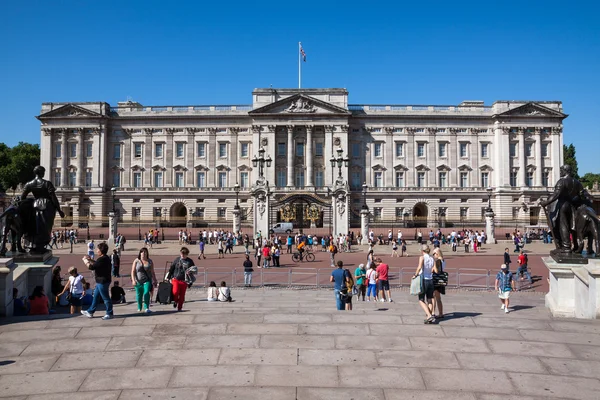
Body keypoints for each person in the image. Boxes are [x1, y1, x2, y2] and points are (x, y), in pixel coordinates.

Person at [81, 242, 114, 319]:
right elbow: (97, 264)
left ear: (101, 250)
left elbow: (92, 267)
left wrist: (85, 261)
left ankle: (109, 313)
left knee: (106, 298)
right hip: (100, 281)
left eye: (98, 249)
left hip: (103, 281)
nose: (96, 250)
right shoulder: (105, 258)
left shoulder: (102, 259)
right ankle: (90, 312)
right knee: (95, 297)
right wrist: (91, 260)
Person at [414, 244, 438, 324]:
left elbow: (419, 267)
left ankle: (429, 315)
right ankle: (429, 316)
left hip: (424, 279)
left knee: (421, 299)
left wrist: (415, 275)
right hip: (430, 279)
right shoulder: (432, 258)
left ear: (422, 251)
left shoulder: (422, 258)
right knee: (429, 299)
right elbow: (435, 270)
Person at [131, 247, 158, 313]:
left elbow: (152, 272)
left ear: (147, 253)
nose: (143, 253)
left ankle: (146, 307)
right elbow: (133, 271)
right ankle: (139, 307)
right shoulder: (136, 260)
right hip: (138, 281)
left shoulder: (150, 261)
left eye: (145, 252)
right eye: (142, 252)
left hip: (147, 280)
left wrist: (155, 280)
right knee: (139, 295)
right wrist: (133, 280)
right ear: (140, 253)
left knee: (146, 293)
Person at [169, 247, 194, 311]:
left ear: (187, 254)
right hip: (176, 279)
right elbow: (172, 268)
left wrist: (190, 281)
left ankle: (179, 308)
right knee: (175, 292)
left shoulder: (190, 261)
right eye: (181, 253)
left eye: (184, 253)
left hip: (184, 280)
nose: (182, 255)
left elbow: (194, 270)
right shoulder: (177, 259)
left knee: (182, 296)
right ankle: (176, 300)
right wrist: (169, 277)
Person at [432, 249, 445, 319]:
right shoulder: (443, 260)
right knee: (438, 298)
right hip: (440, 280)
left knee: (434, 297)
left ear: (437, 253)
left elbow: (436, 270)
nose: (433, 255)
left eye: (434, 253)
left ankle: (433, 312)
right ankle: (440, 313)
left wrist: (433, 267)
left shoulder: (437, 261)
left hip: (436, 280)